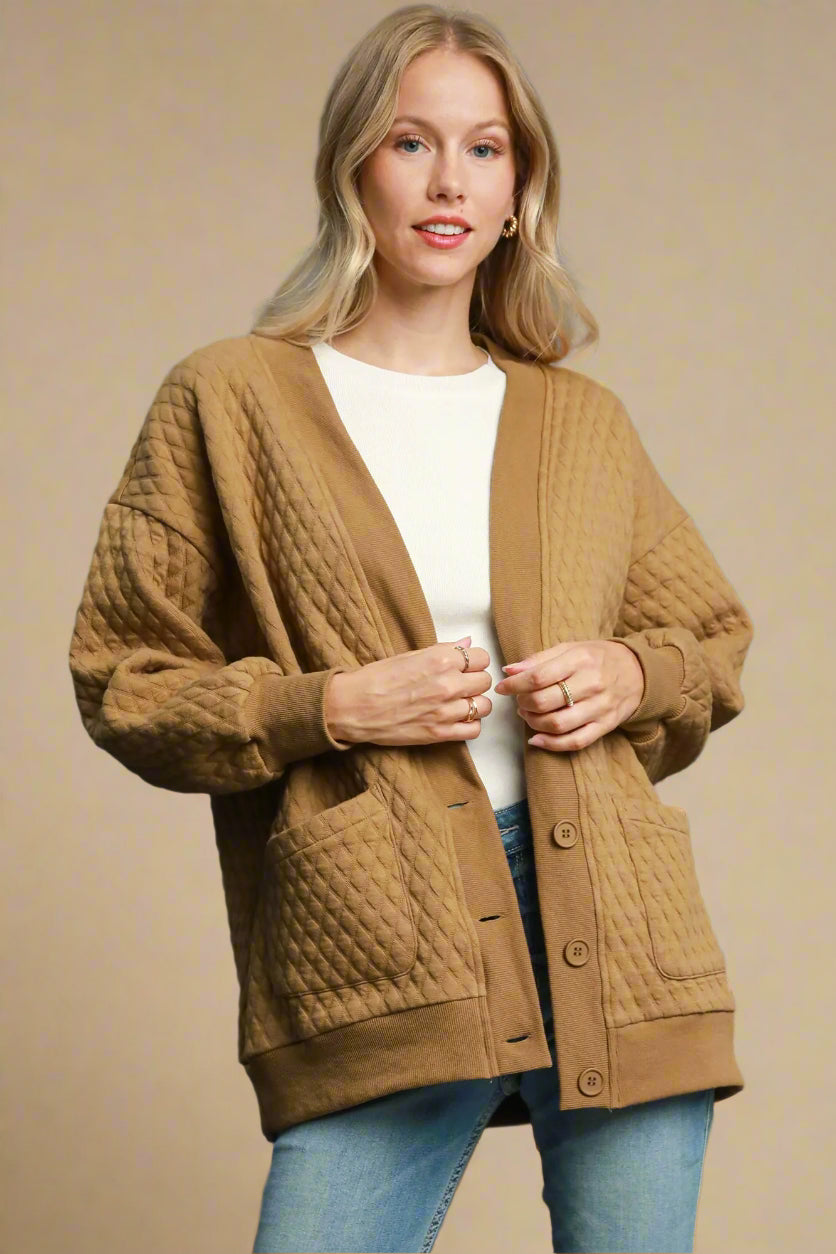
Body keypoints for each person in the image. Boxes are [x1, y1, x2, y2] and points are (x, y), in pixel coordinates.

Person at [67, 5, 755, 1251]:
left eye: (484, 149)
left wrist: (628, 669)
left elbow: (707, 642)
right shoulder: (233, 398)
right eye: (409, 142)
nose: (448, 181)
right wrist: (329, 707)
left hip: (620, 921)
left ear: (517, 188)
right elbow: (125, 678)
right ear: (352, 168)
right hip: (381, 935)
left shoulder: (578, 419)